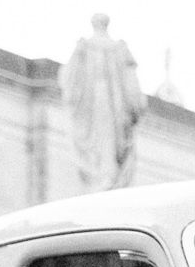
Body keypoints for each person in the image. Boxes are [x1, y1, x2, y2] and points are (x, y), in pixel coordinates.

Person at [60, 14, 147, 192]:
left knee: (106, 143)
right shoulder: (116, 49)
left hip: (105, 106)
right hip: (107, 106)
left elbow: (68, 80)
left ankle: (106, 174)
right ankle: (106, 174)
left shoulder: (85, 47)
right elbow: (132, 86)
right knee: (106, 143)